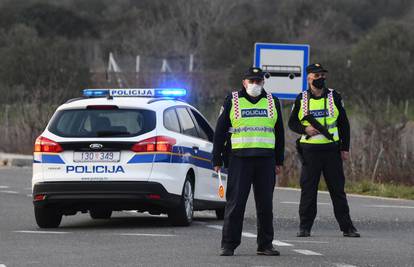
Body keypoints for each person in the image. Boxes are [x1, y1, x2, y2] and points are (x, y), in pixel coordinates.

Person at [212, 67, 285, 256]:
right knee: (235, 205)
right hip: (239, 159)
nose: (255, 84)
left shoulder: (272, 102)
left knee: (265, 205)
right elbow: (220, 132)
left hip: (266, 160)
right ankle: (228, 244)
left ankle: (265, 244)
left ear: (263, 82)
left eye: (258, 81)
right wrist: (217, 157)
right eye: (251, 81)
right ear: (244, 82)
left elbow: (279, 133)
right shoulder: (233, 100)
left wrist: (279, 160)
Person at [288, 63, 360, 238]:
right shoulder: (301, 99)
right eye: (317, 76)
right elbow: (292, 123)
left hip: (331, 151)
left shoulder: (334, 96)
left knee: (337, 190)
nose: (321, 78)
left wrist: (345, 148)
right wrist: (305, 130)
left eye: (322, 76)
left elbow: (344, 124)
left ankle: (347, 227)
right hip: (310, 151)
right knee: (308, 190)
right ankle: (305, 227)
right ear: (309, 78)